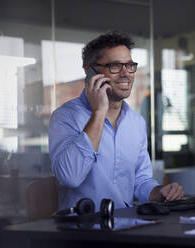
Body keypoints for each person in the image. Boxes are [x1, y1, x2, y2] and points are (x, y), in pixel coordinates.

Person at [48, 31, 184, 211]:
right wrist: (98, 112)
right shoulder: (65, 116)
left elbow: (140, 182)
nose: (126, 73)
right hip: (82, 229)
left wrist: (161, 192)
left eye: (129, 65)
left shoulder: (136, 122)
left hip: (125, 225)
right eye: (115, 66)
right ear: (91, 72)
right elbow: (70, 177)